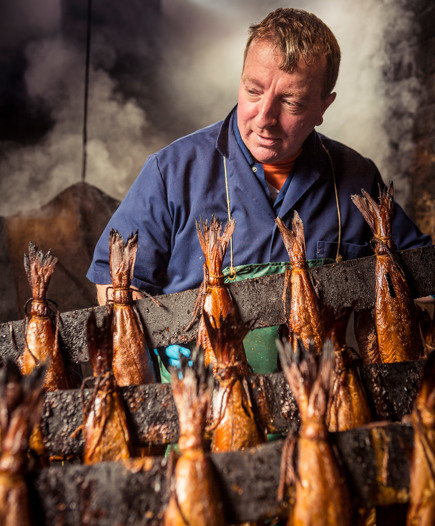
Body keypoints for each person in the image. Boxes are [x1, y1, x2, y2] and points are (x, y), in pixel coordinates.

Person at [87, 8, 431, 368]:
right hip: (200, 404)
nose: (264, 118)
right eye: (253, 91)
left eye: (291, 102)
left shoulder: (356, 179)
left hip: (316, 406)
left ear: (323, 106)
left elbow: (422, 279)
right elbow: (114, 286)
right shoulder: (172, 171)